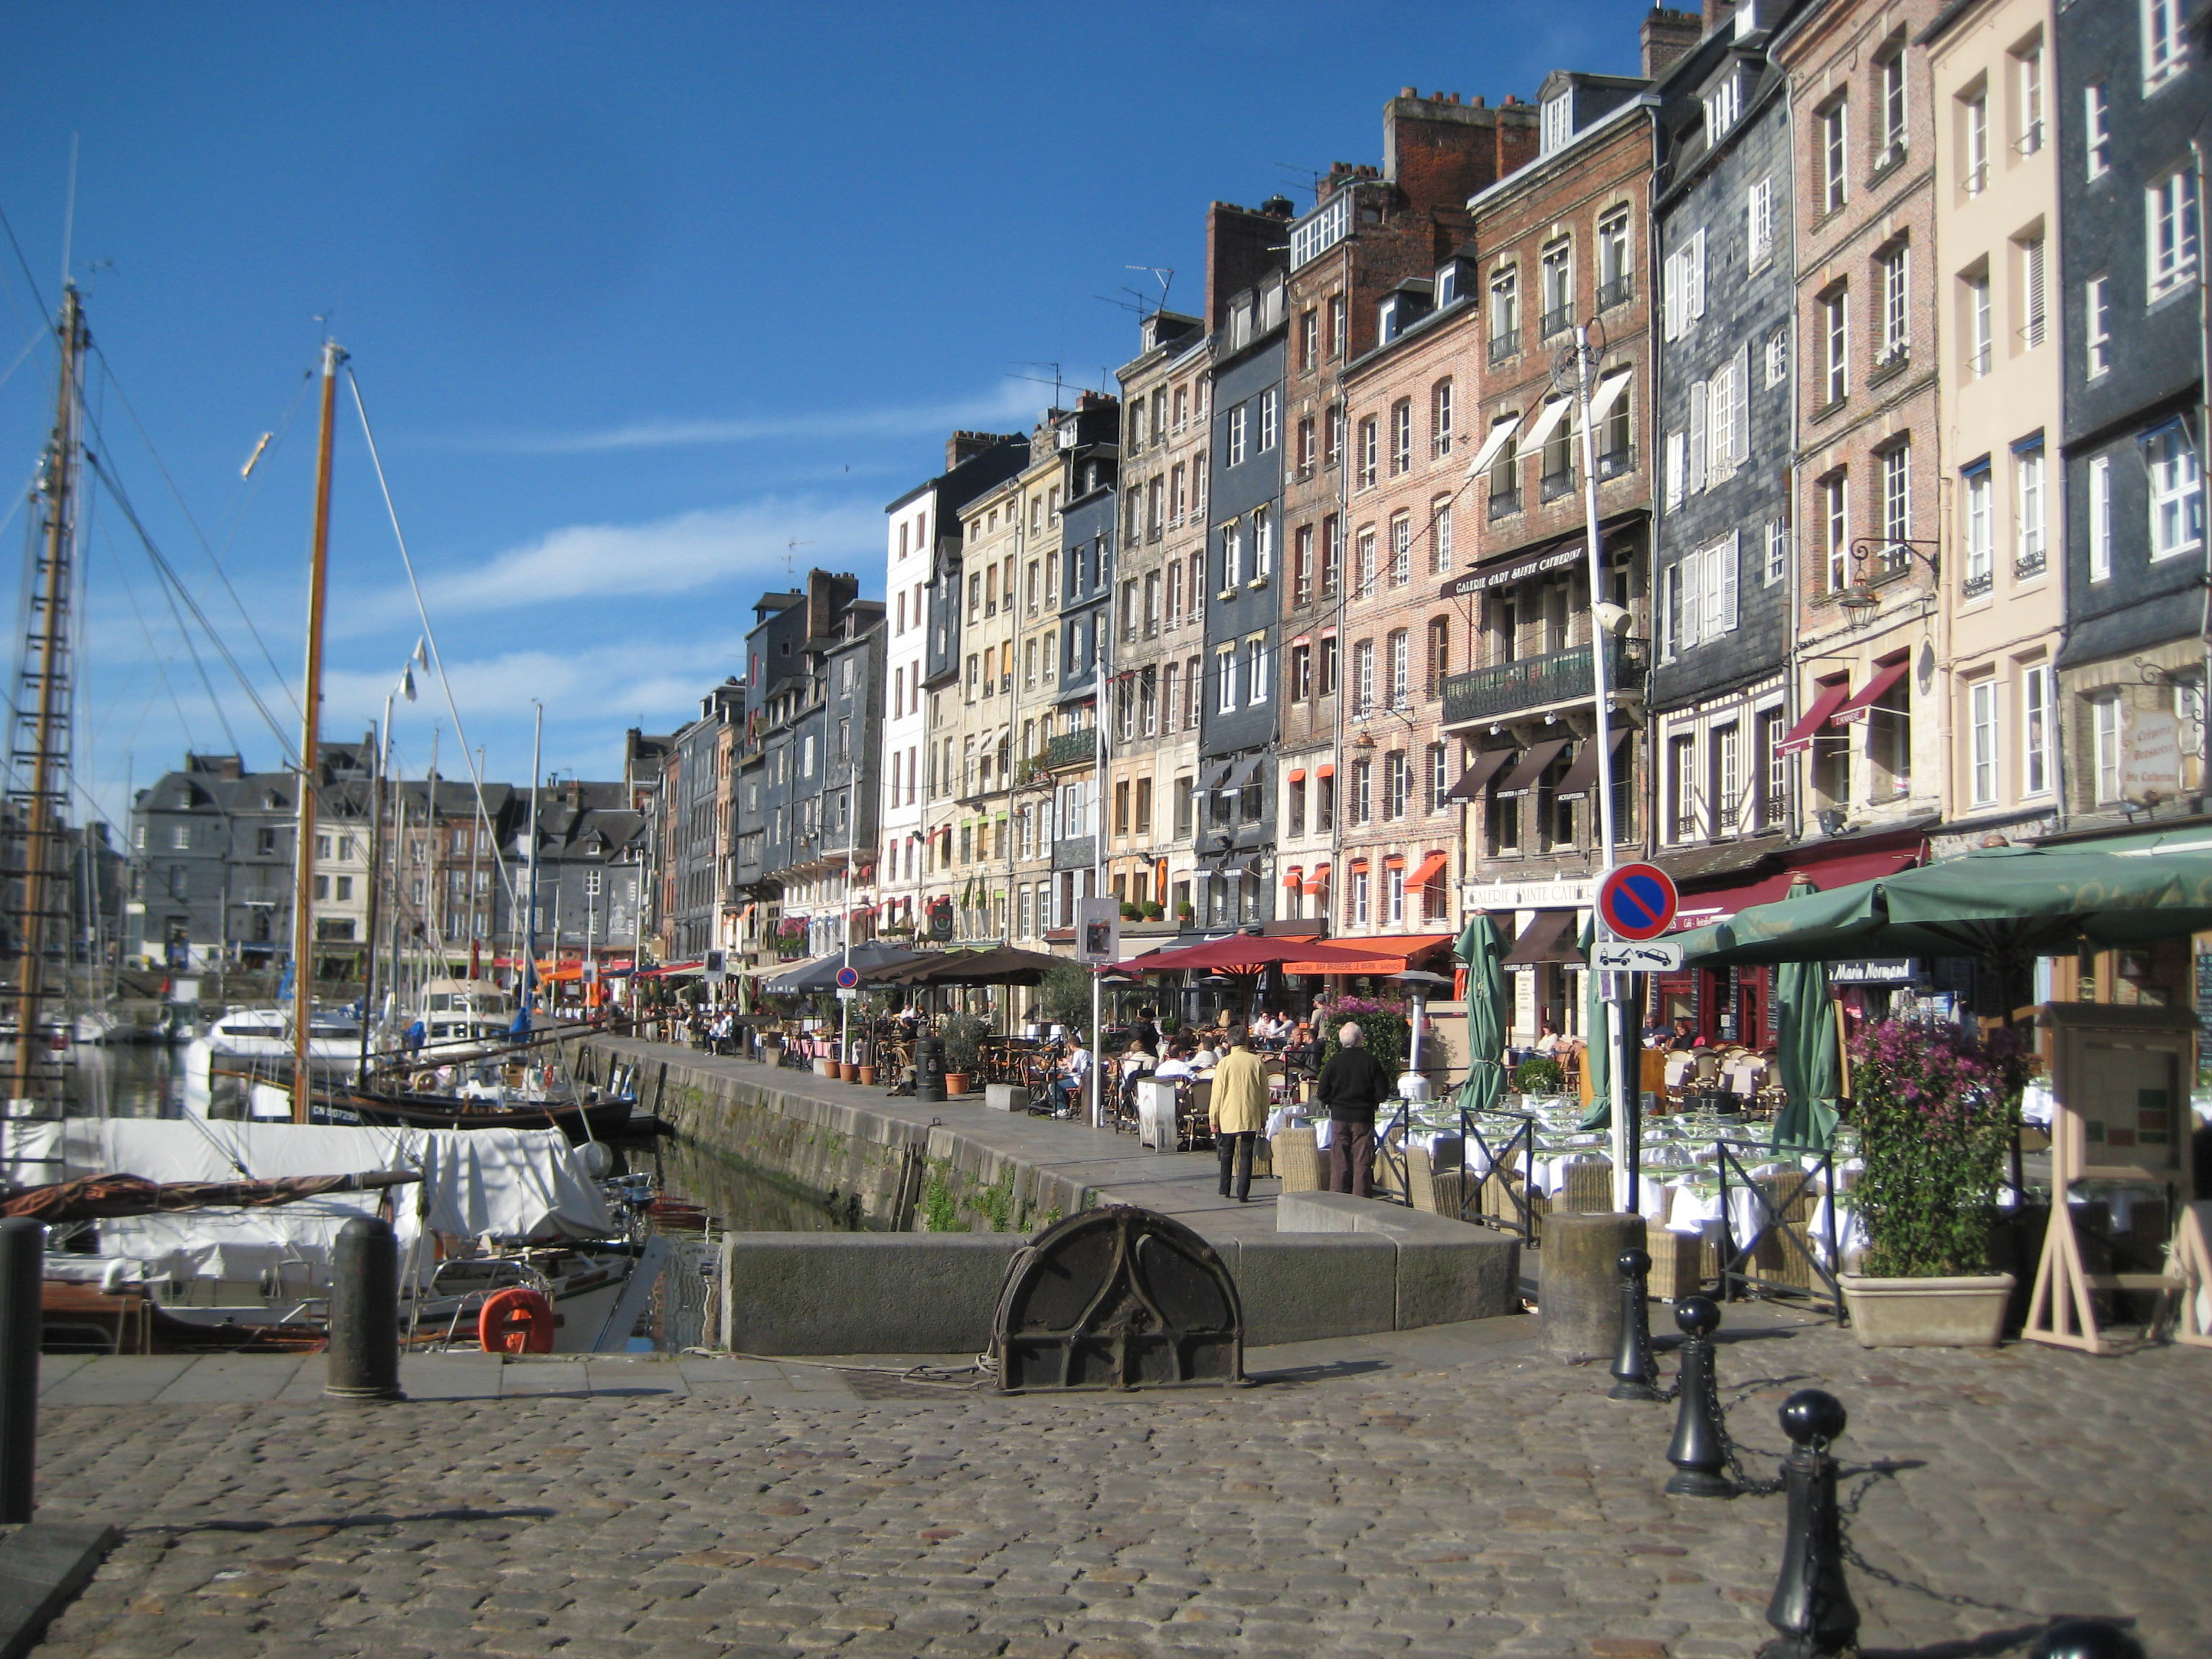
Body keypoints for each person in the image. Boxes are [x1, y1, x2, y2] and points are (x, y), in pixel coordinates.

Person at [1316, 1021, 1390, 1197]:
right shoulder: (1370, 1061)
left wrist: (1333, 1102)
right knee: (1362, 1159)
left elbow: (1322, 1092)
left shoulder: (1334, 1062)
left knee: (1339, 1158)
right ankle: (1361, 1197)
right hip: (1362, 1116)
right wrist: (1372, 1101)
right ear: (1360, 1039)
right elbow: (1383, 1092)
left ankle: (1338, 1196)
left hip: (1340, 1115)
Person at [1209, 1025, 1269, 1202]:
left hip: (1228, 1113)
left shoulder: (1224, 1063)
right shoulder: (1256, 1061)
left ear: (1229, 1042)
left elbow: (1217, 1093)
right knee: (1246, 1153)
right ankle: (1243, 1191)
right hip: (1251, 1112)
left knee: (1226, 1151)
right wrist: (1264, 1115)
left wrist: (1213, 1117)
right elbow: (1265, 1092)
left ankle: (1224, 1186)